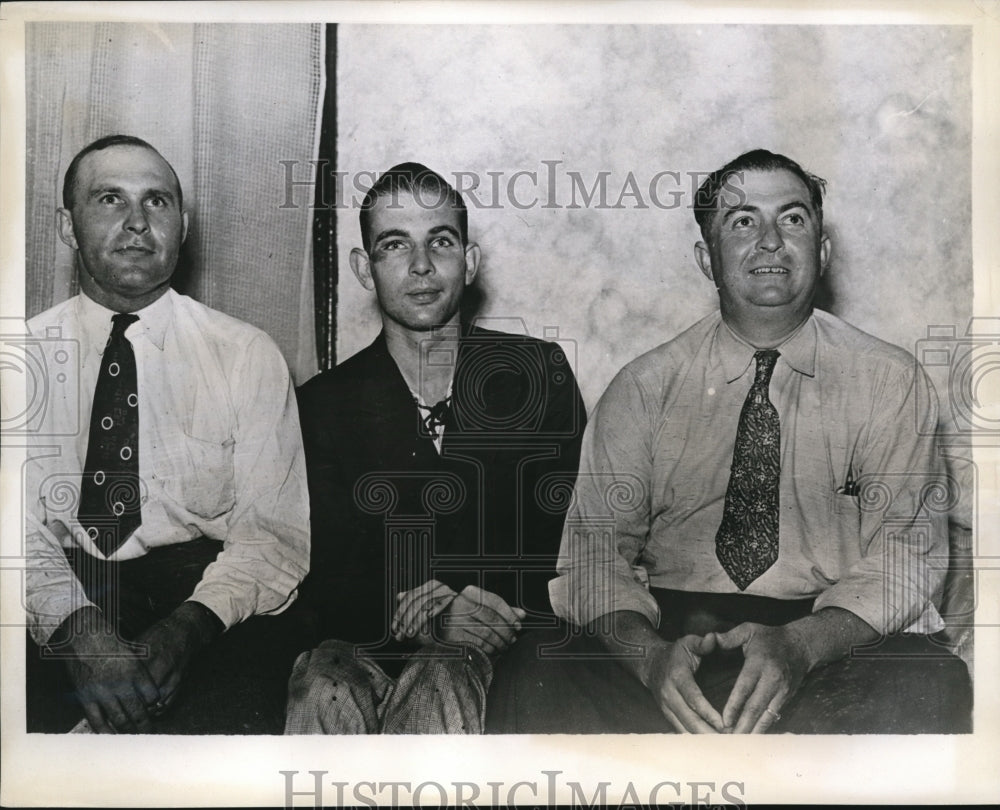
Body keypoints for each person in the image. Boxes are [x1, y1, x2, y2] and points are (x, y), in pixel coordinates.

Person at [485, 149, 971, 734]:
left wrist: (802, 646)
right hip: (670, 637)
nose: (769, 240)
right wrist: (648, 658)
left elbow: (905, 557)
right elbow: (592, 556)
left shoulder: (890, 382)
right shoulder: (644, 387)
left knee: (928, 679)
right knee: (537, 662)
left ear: (822, 250)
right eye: (742, 221)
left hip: (824, 636)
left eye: (792, 219)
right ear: (706, 258)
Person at [24, 134, 312, 734]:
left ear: (183, 225)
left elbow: (273, 536)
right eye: (109, 199)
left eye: (156, 202)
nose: (135, 223)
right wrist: (78, 631)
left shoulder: (246, 354)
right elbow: (13, 536)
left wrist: (190, 628)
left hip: (209, 599)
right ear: (66, 224)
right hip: (60, 590)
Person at [285, 163, 586, 734]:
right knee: (322, 681)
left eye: (440, 242)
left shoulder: (535, 372)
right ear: (363, 268)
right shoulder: (323, 404)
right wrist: (431, 617)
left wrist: (472, 605)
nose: (421, 266)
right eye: (394, 245)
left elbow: (568, 536)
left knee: (441, 672)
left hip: (502, 636)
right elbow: (326, 572)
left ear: (469, 262)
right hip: (368, 644)